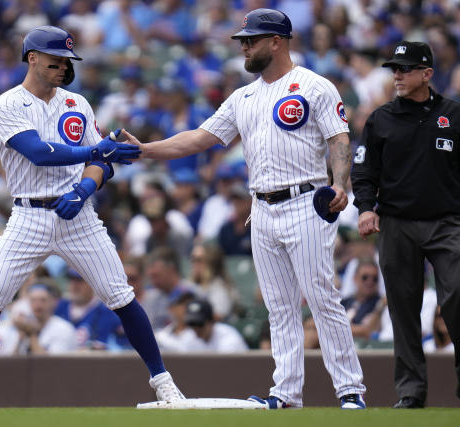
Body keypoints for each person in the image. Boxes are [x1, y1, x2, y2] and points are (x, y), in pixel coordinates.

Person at [123, 8, 366, 409]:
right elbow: (200, 138)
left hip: (305, 199)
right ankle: (286, 393)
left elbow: (340, 138)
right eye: (243, 40)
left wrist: (340, 182)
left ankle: (350, 390)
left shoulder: (313, 85)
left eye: (252, 39)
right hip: (262, 205)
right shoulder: (244, 96)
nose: (245, 46)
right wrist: (147, 149)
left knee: (321, 297)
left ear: (277, 41)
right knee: (279, 306)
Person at [0, 26, 184, 409]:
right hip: (29, 212)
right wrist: (95, 151)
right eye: (55, 58)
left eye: (67, 60)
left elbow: (102, 163)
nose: (63, 66)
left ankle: (165, 385)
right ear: (31, 57)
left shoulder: (77, 103)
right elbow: (39, 152)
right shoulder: (6, 104)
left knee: (121, 296)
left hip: (77, 214)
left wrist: (85, 188)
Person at [351, 40, 460, 409]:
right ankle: (411, 392)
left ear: (427, 74)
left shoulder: (453, 115)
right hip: (396, 223)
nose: (396, 75)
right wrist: (366, 208)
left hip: (447, 222)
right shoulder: (381, 118)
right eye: (394, 69)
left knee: (457, 295)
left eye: (405, 69)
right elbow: (364, 170)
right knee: (402, 308)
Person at [183, 298, 248, 353]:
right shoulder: (189, 336)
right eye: (192, 324)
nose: (196, 328)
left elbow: (222, 365)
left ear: (212, 321)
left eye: (199, 324)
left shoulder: (228, 337)